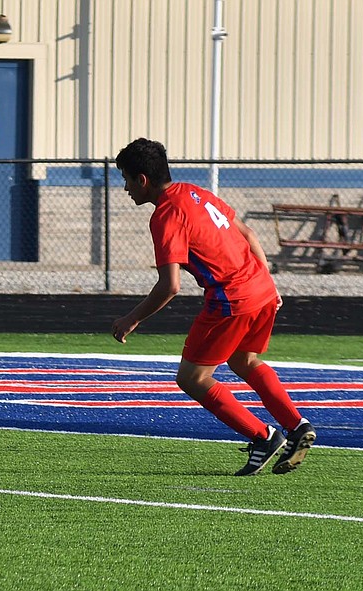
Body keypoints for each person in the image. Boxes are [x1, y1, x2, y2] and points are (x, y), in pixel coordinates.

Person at [111, 138, 315, 476]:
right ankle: (296, 425)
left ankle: (264, 436)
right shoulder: (195, 192)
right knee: (244, 360)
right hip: (261, 287)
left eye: (126, 179)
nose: (125, 188)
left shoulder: (166, 215)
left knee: (192, 377)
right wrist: (269, 282)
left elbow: (169, 286)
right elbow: (248, 233)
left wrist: (131, 319)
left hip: (231, 299)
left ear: (142, 180)